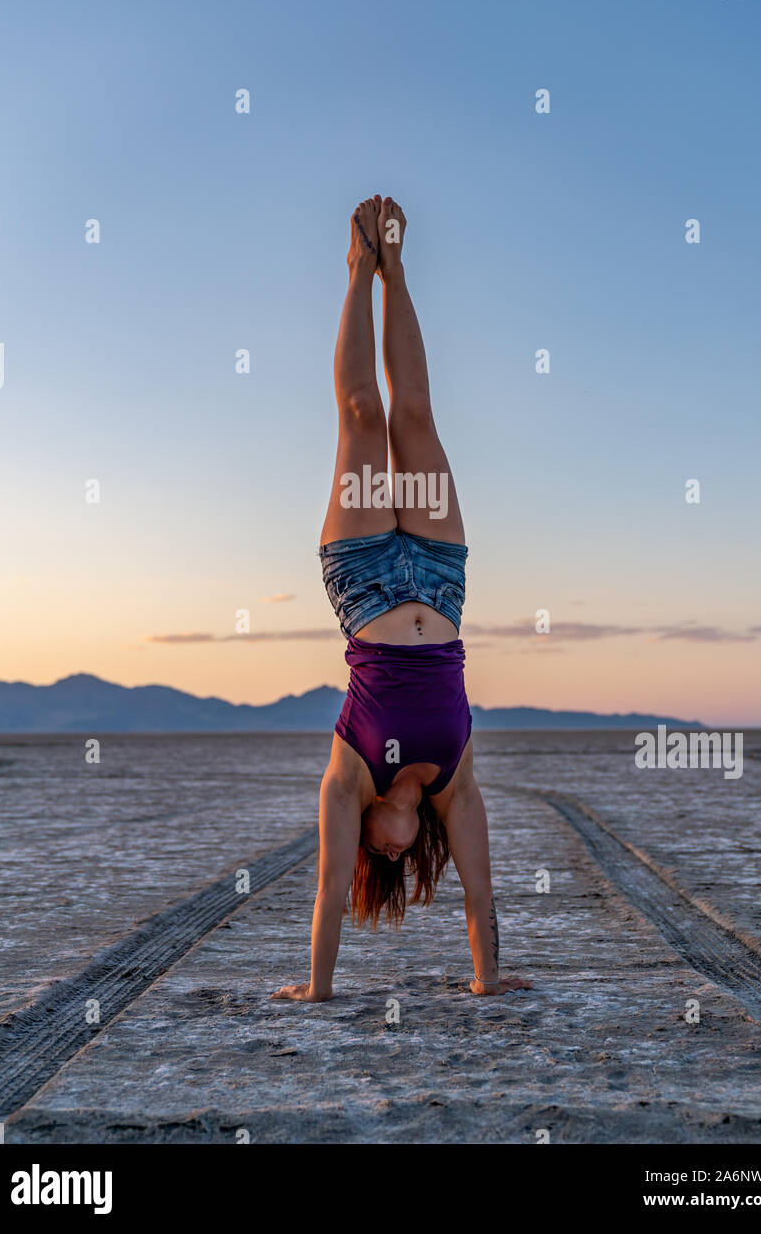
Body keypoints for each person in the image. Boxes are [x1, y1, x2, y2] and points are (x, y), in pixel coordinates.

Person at [272, 196, 531, 1002]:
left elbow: (323, 900)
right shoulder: (456, 782)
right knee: (414, 412)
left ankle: (361, 268)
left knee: (361, 415)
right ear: (416, 839)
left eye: (370, 859)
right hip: (439, 579)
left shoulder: (346, 780)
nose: (382, 855)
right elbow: (481, 894)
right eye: (390, 861)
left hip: (363, 577)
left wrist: (315, 991)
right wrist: (488, 981)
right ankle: (398, 266)